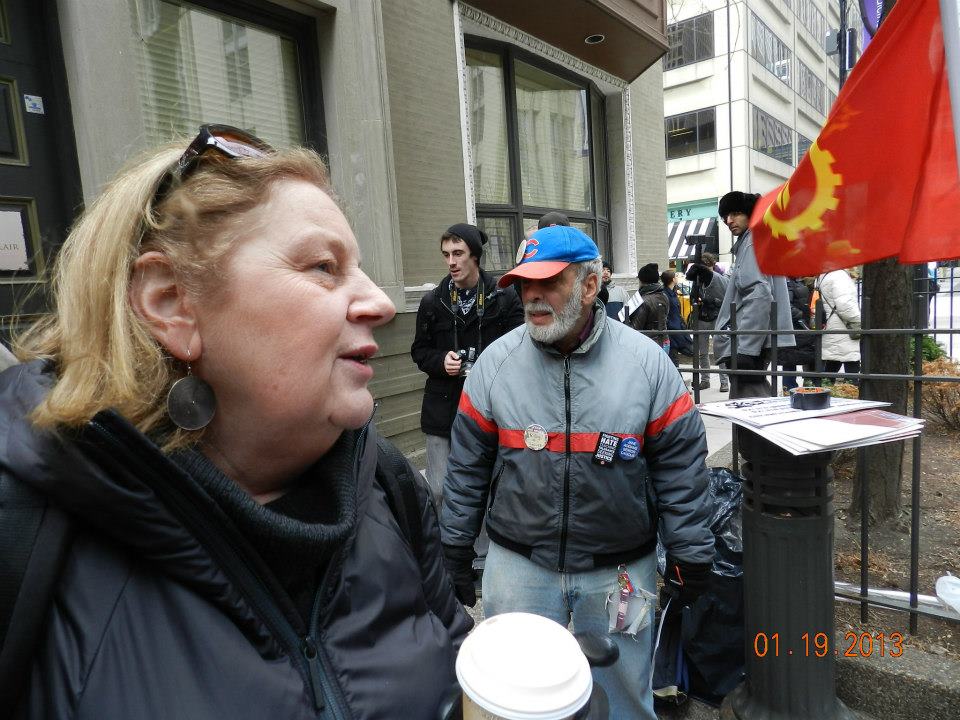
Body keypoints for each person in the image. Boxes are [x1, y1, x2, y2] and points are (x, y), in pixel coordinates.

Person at [0, 126, 471, 718]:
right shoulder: (23, 529)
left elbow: (458, 668)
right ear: (172, 302)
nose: (378, 301)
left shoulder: (387, 483)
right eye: (324, 267)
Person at [439, 225, 714, 719]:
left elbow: (681, 466)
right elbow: (466, 467)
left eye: (549, 282)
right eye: (525, 284)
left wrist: (689, 551)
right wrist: (455, 545)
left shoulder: (647, 365)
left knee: (623, 700)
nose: (532, 296)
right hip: (519, 565)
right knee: (517, 701)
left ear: (589, 286)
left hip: (619, 572)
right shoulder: (496, 366)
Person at [410, 223, 523, 508]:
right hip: (442, 407)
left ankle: (483, 540)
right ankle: (443, 537)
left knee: (486, 488)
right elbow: (419, 351)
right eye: (446, 254)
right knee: (439, 489)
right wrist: (440, 361)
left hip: (489, 407)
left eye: (458, 253)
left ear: (475, 255)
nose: (451, 262)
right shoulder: (432, 301)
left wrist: (488, 365)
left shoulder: (504, 297)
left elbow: (521, 349)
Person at [711, 191, 795, 398]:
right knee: (748, 400)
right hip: (751, 339)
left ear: (750, 212)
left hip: (745, 342)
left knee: (749, 403)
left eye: (735, 213)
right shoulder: (756, 239)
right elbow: (743, 290)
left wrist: (746, 348)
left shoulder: (752, 241)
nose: (729, 221)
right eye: (725, 217)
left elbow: (759, 294)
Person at [685, 252, 729, 391]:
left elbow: (725, 300)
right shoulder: (698, 280)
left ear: (711, 265)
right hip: (702, 317)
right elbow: (693, 297)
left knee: (720, 351)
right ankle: (705, 380)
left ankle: (724, 381)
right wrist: (695, 300)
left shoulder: (719, 278)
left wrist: (711, 301)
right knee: (702, 352)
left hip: (716, 317)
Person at [816, 269, 862, 383]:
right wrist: (858, 321)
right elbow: (845, 305)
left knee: (834, 358)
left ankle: (825, 387)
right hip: (844, 325)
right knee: (851, 359)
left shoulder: (824, 275)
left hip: (832, 323)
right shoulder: (839, 276)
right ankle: (852, 389)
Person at [621, 262, 669, 352]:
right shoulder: (664, 296)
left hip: (650, 344)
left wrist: (624, 320)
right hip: (664, 341)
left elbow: (635, 329)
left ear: (642, 281)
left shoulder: (644, 300)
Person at [779, 277, 817, 392]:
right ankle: (790, 391)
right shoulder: (788, 282)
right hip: (796, 326)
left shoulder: (799, 281)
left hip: (799, 327)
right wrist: (802, 315)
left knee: (794, 360)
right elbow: (786, 305)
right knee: (790, 361)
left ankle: (798, 389)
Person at [661, 270, 694, 363]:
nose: (677, 278)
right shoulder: (665, 294)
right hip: (672, 330)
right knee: (673, 358)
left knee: (676, 357)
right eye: (675, 276)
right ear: (673, 279)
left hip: (677, 328)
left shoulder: (673, 292)